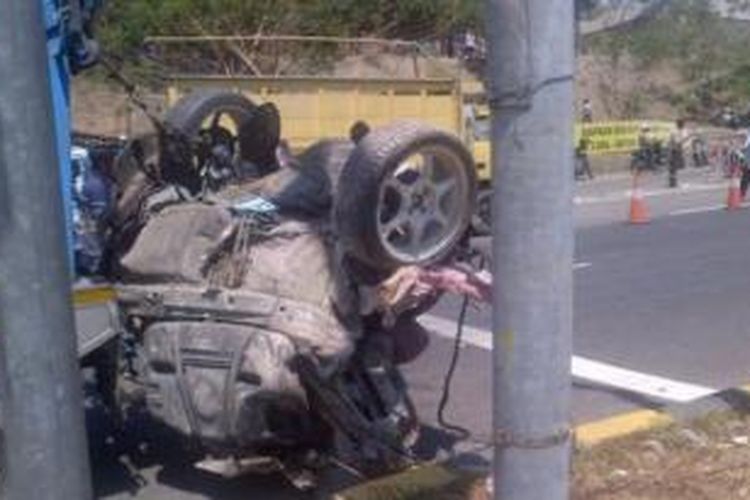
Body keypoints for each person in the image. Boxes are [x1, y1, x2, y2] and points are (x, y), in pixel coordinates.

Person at [668, 119, 690, 188]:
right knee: (674, 166)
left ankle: (673, 181)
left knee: (674, 166)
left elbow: (681, 141)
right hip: (675, 149)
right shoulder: (675, 131)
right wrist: (685, 139)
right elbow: (677, 141)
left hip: (677, 149)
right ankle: (673, 182)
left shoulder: (682, 131)